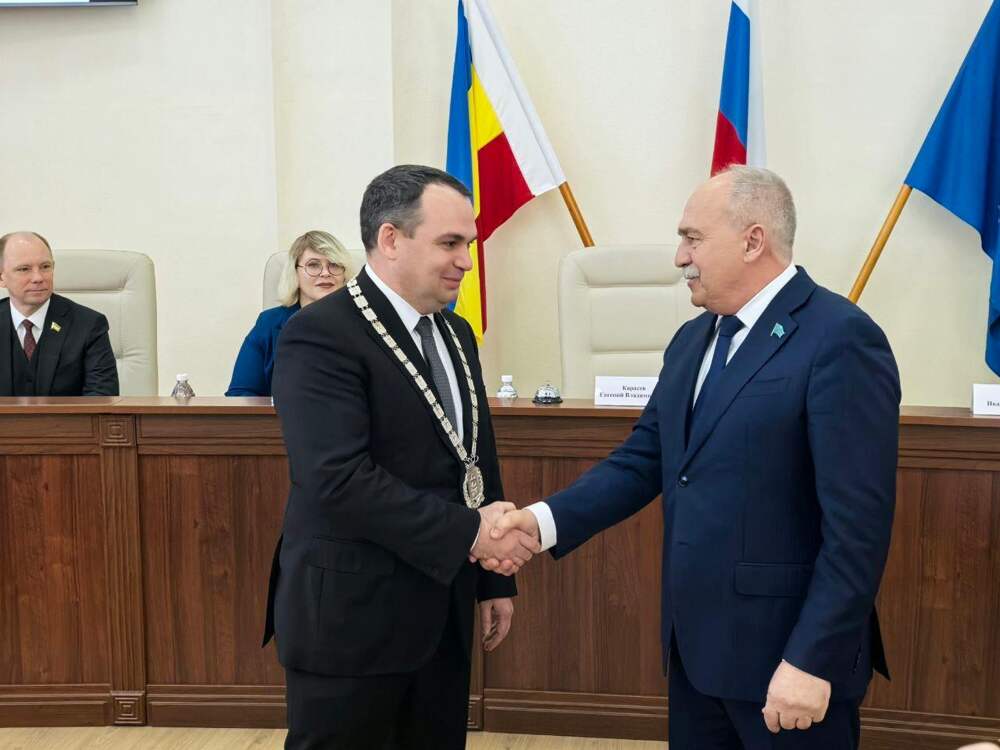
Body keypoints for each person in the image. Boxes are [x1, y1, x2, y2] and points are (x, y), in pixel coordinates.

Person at [490, 167, 900, 750]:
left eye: (692, 238)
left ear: (753, 241)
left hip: (788, 665)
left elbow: (858, 529)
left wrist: (812, 659)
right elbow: (642, 460)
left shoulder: (840, 338)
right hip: (697, 655)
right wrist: (538, 523)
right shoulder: (692, 341)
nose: (680, 256)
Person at [263, 164, 540, 749]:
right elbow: (336, 479)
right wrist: (473, 535)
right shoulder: (320, 333)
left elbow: (474, 457)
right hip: (352, 619)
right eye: (450, 243)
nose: (467, 260)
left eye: (468, 243)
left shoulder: (456, 333)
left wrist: (492, 582)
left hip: (443, 606)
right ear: (391, 239)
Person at [226, 230, 354, 397]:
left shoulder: (365, 322)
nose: (325, 273)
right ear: (295, 274)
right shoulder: (269, 323)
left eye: (334, 264)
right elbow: (241, 394)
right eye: (313, 265)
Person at [0, 231, 118, 397]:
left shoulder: (89, 325)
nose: (38, 277)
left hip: (73, 416)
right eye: (24, 269)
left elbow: (102, 398)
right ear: (1, 278)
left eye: (45, 267)